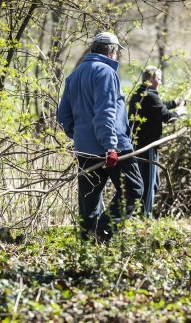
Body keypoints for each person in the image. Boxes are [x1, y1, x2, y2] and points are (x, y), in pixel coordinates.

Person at [57, 32, 144, 243]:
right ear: (112, 51)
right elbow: (105, 113)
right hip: (113, 148)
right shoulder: (106, 72)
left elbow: (63, 116)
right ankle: (102, 232)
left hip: (85, 149)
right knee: (133, 189)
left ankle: (86, 245)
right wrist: (110, 146)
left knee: (89, 200)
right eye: (117, 52)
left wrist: (79, 136)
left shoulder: (75, 75)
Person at [128, 65, 187, 218]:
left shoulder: (141, 93)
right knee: (149, 183)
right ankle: (145, 217)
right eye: (158, 79)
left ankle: (138, 214)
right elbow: (166, 116)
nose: (160, 82)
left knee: (150, 182)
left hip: (138, 145)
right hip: (148, 147)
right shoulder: (150, 96)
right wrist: (179, 112)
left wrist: (174, 102)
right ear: (150, 79)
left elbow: (158, 106)